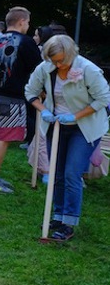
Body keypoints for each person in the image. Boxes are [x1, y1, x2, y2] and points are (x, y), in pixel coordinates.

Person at [25, 35, 110, 241]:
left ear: (71, 54)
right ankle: (57, 216)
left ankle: (69, 223)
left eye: (61, 60)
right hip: (56, 125)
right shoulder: (45, 68)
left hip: (85, 127)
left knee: (72, 173)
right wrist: (43, 109)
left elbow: (103, 99)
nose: (58, 65)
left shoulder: (88, 70)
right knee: (57, 173)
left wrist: (75, 116)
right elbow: (30, 92)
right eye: (53, 61)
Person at [0, 6, 42, 193]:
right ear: (22, 22)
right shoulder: (25, 42)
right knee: (4, 138)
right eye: (28, 22)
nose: (28, 26)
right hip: (11, 97)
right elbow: (39, 69)